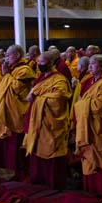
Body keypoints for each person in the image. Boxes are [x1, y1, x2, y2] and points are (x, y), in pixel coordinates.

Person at [24, 50, 72, 190]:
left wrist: (38, 97)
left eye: (42, 63)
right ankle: (39, 182)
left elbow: (60, 97)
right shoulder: (41, 78)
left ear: (51, 63)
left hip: (50, 123)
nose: (39, 65)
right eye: (38, 63)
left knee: (51, 151)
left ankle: (54, 185)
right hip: (38, 122)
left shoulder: (59, 79)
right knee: (37, 151)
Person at [0, 45, 36, 177]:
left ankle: (20, 171)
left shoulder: (25, 70)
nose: (6, 58)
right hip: (7, 112)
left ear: (17, 55)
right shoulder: (12, 70)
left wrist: (7, 75)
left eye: (9, 55)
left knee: (16, 145)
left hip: (16, 113)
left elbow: (16, 88)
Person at [74, 55, 102, 197]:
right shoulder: (91, 81)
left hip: (99, 127)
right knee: (88, 158)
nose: (90, 67)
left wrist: (80, 105)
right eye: (90, 64)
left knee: (99, 160)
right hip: (88, 126)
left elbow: (101, 106)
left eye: (94, 64)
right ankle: (90, 191)